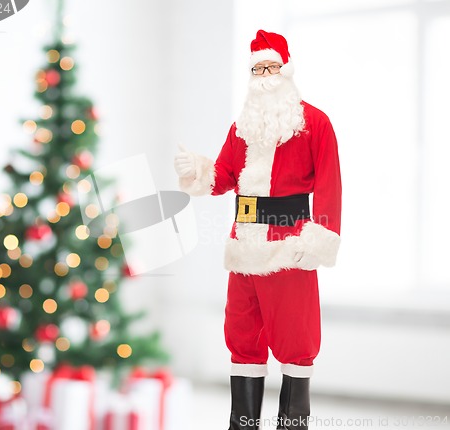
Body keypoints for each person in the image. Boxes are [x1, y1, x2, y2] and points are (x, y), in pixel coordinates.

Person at [174, 29, 342, 430]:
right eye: (257, 68)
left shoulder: (314, 122)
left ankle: (292, 424)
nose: (264, 75)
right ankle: (242, 424)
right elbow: (222, 177)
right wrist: (197, 170)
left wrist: (320, 237)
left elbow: (331, 185)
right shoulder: (242, 127)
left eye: (271, 67)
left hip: (291, 246)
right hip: (244, 245)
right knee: (243, 337)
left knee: (296, 342)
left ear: (285, 70)